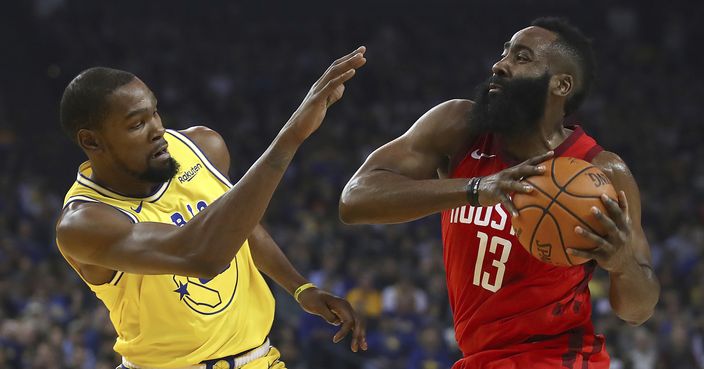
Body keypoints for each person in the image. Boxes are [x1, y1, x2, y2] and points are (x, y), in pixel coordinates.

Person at [339, 18, 660, 369]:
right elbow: (354, 201)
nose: (500, 65)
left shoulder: (601, 172)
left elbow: (638, 311)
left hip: (556, 358)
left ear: (561, 84)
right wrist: (475, 188)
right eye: (504, 53)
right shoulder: (459, 127)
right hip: (478, 358)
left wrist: (623, 265)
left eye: (522, 58)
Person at [55, 47, 368, 369]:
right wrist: (291, 137)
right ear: (92, 142)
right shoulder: (84, 224)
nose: (157, 130)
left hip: (258, 359)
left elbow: (238, 224)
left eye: (155, 113)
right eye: (137, 125)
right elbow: (202, 256)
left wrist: (300, 287)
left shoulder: (201, 146)